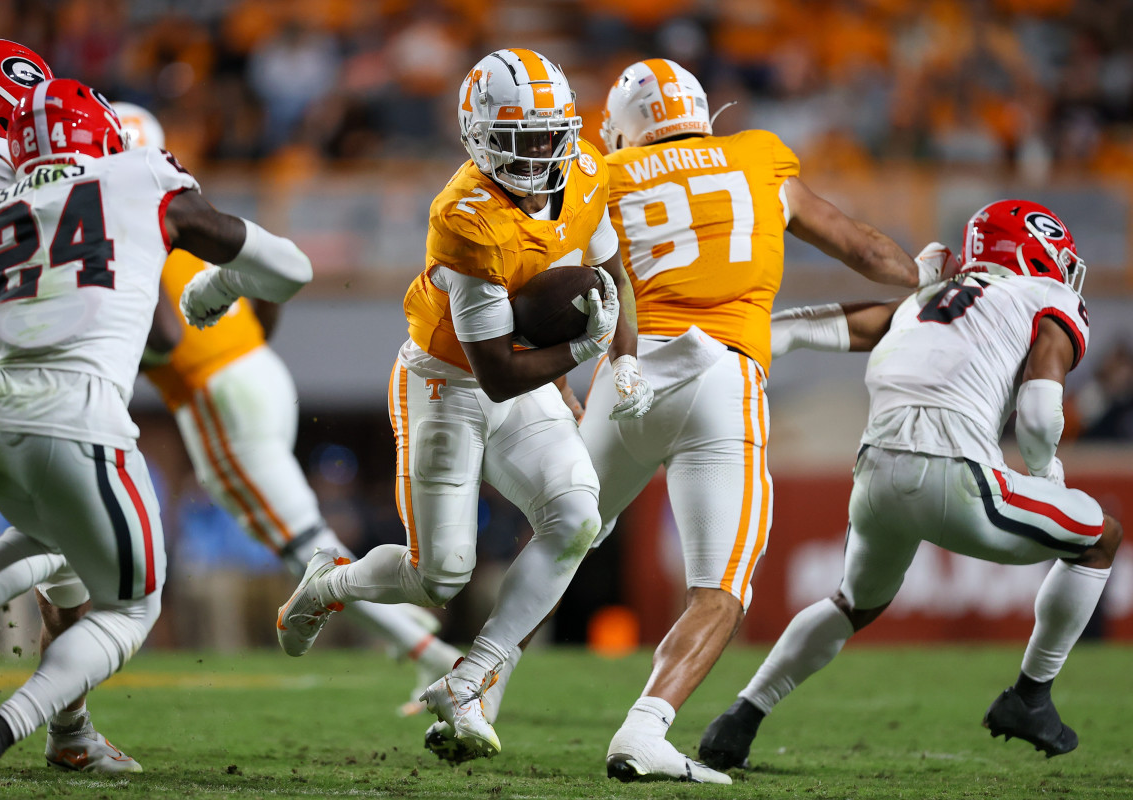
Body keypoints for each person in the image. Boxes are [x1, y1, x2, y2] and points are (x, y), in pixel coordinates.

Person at [429, 57, 935, 781]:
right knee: (721, 587)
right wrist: (931, 277)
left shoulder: (598, 170)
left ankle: (478, 690)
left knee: (565, 535)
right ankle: (644, 730)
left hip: (625, 369)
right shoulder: (758, 158)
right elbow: (867, 250)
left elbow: (552, 286)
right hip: (720, 378)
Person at [0, 77, 310, 798]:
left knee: (62, 539)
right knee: (134, 605)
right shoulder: (138, 175)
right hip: (79, 420)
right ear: (102, 136)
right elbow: (291, 269)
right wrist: (222, 286)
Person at [277, 47, 653, 757]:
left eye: (550, 134)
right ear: (480, 137)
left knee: (577, 515)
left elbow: (607, 275)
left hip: (524, 375)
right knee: (438, 575)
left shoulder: (587, 171)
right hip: (446, 383)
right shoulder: (464, 215)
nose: (542, 153)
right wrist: (577, 354)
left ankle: (473, 677)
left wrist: (622, 359)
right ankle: (331, 584)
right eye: (523, 139)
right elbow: (499, 370)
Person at [699, 200, 1121, 769]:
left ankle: (740, 718)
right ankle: (1031, 696)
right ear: (1033, 251)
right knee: (1100, 537)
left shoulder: (923, 300)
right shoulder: (1046, 298)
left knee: (853, 602)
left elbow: (804, 327)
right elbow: (1041, 411)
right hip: (957, 477)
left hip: (873, 477)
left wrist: (725, 346)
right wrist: (1049, 480)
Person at [115, 102, 459, 714]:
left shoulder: (121, 225)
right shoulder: (180, 211)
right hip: (255, 372)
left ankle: (434, 658)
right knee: (289, 534)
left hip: (216, 390)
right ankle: (421, 646)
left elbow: (161, 339)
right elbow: (263, 276)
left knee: (304, 545)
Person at [0, 39, 146, 774]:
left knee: (63, 553)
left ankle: (72, 730)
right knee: (73, 545)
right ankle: (63, 727)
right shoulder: (10, 168)